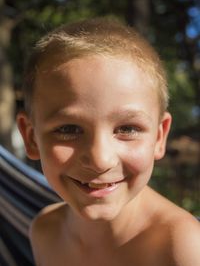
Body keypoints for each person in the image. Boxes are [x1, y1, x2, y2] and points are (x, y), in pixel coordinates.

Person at [17, 18, 200, 266]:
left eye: (127, 128)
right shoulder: (44, 231)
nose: (100, 159)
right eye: (69, 129)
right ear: (31, 138)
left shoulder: (182, 247)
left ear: (159, 137)